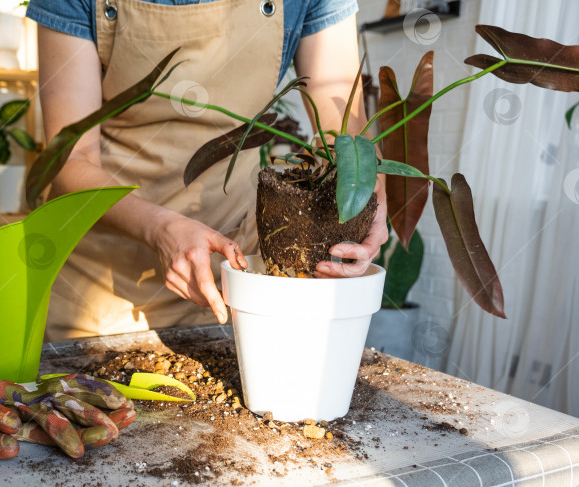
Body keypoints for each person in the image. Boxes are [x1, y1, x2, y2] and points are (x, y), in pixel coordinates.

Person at [28, 0, 388, 341]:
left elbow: (345, 137)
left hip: (237, 279)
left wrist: (365, 199)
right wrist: (161, 229)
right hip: (104, 296)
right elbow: (71, 161)